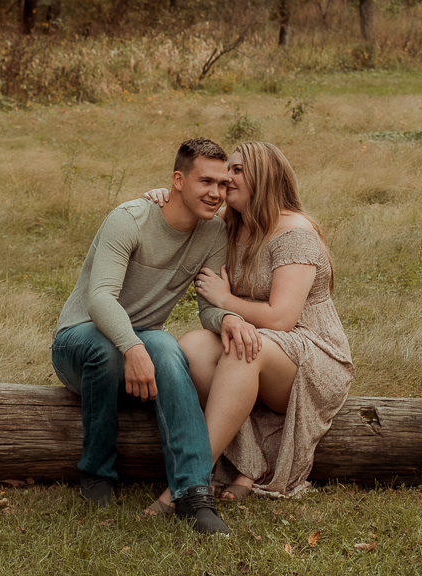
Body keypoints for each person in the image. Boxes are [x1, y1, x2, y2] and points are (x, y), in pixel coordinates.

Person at [50, 137, 263, 536]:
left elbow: (208, 306)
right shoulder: (129, 219)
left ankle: (194, 495)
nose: (216, 192)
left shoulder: (212, 233)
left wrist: (229, 318)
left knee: (168, 349)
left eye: (222, 183)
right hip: (79, 341)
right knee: (109, 350)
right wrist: (131, 346)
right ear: (178, 181)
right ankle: (97, 472)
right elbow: (99, 299)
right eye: (205, 182)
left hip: (145, 339)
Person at [143, 140, 352, 509]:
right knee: (192, 346)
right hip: (261, 342)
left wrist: (226, 301)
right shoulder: (230, 225)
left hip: (312, 354)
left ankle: (188, 481)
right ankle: (248, 465)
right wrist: (164, 195)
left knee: (243, 349)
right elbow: (183, 211)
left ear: (264, 178)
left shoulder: (294, 233)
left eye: (237, 171)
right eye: (227, 172)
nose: (226, 179)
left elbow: (282, 318)